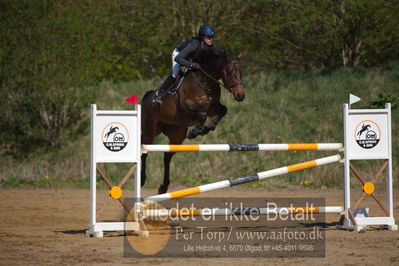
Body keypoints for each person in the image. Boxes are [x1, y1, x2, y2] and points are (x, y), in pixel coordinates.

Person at [152, 24, 216, 107]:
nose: (211, 39)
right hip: (179, 54)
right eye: (208, 37)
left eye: (212, 37)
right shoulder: (194, 44)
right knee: (175, 74)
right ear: (202, 36)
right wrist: (190, 64)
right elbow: (178, 58)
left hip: (190, 57)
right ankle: (159, 94)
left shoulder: (211, 47)